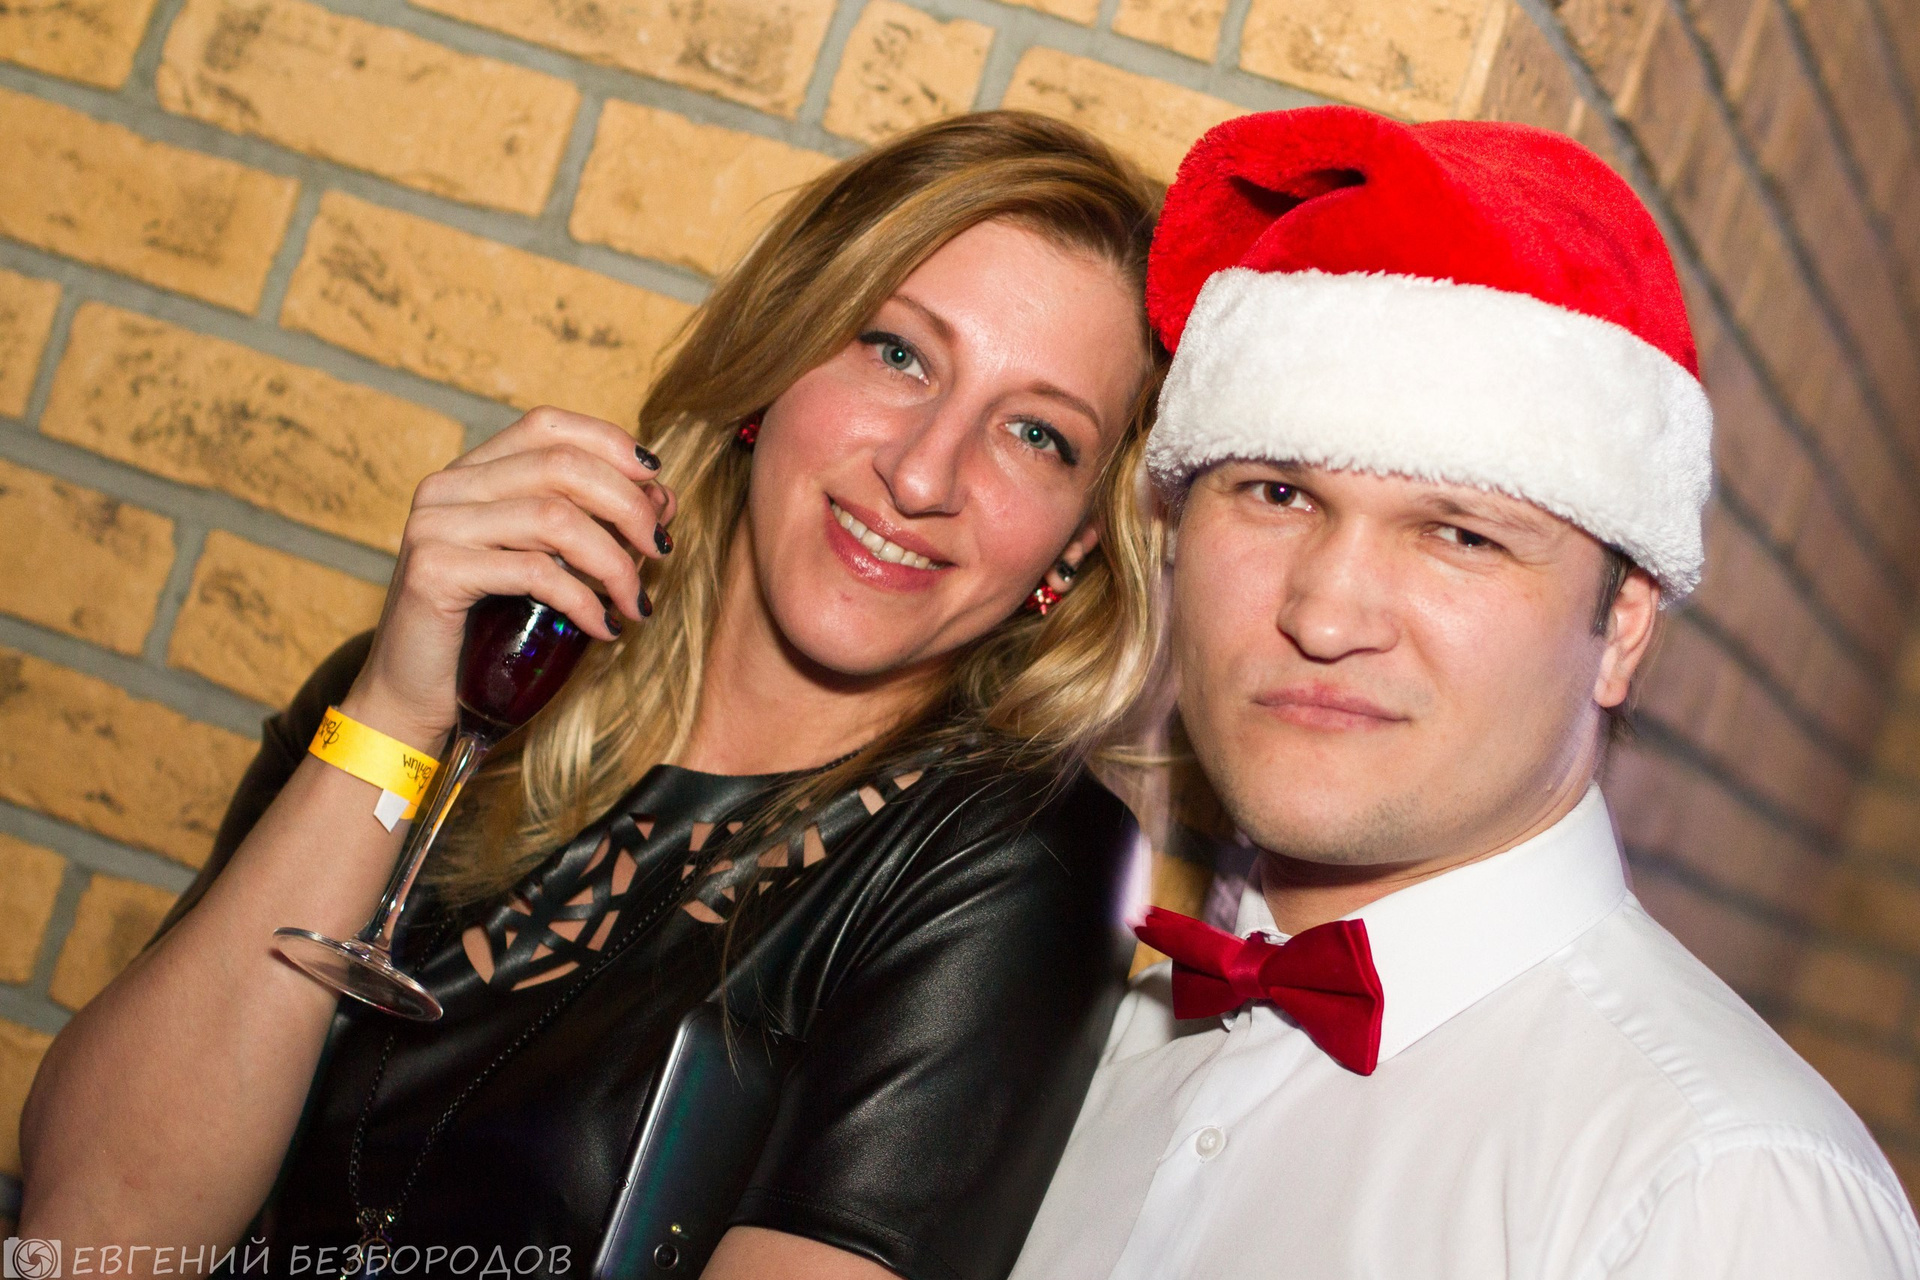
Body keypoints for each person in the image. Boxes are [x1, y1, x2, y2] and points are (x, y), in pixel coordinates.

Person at [20, 111, 1166, 1280]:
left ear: (1078, 542)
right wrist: (392, 714)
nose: (922, 473)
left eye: (1037, 434)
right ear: (776, 356)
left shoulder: (1020, 864)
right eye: (897, 353)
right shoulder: (470, 686)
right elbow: (91, 1239)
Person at [1010, 105, 1920, 1279]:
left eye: (1459, 534)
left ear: (1622, 627)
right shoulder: (1097, 1036)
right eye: (1278, 493)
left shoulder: (1724, 1191)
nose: (1324, 615)